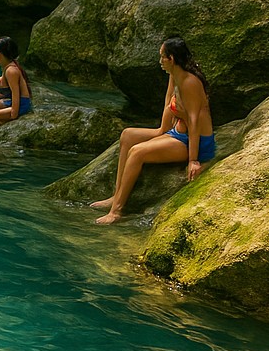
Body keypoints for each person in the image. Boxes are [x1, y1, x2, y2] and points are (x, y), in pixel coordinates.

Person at [92, 36, 215, 225]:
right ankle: (116, 195)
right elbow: (168, 104)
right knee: (127, 135)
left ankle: (116, 211)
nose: (159, 62)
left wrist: (193, 160)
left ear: (171, 59)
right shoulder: (175, 75)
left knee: (137, 152)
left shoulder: (190, 82)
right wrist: (162, 131)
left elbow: (193, 121)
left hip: (193, 140)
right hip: (177, 133)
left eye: (162, 57)